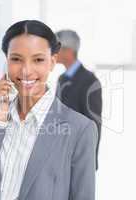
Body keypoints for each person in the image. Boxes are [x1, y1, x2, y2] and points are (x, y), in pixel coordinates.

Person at [0, 20, 97, 200]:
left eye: (38, 60)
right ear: (7, 61)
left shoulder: (80, 129)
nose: (26, 70)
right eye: (16, 59)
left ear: (52, 62)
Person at [56, 30, 102, 169]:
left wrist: (87, 161)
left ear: (68, 51)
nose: (52, 52)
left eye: (56, 48)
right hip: (61, 157)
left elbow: (94, 124)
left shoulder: (90, 81)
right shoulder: (62, 79)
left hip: (80, 160)